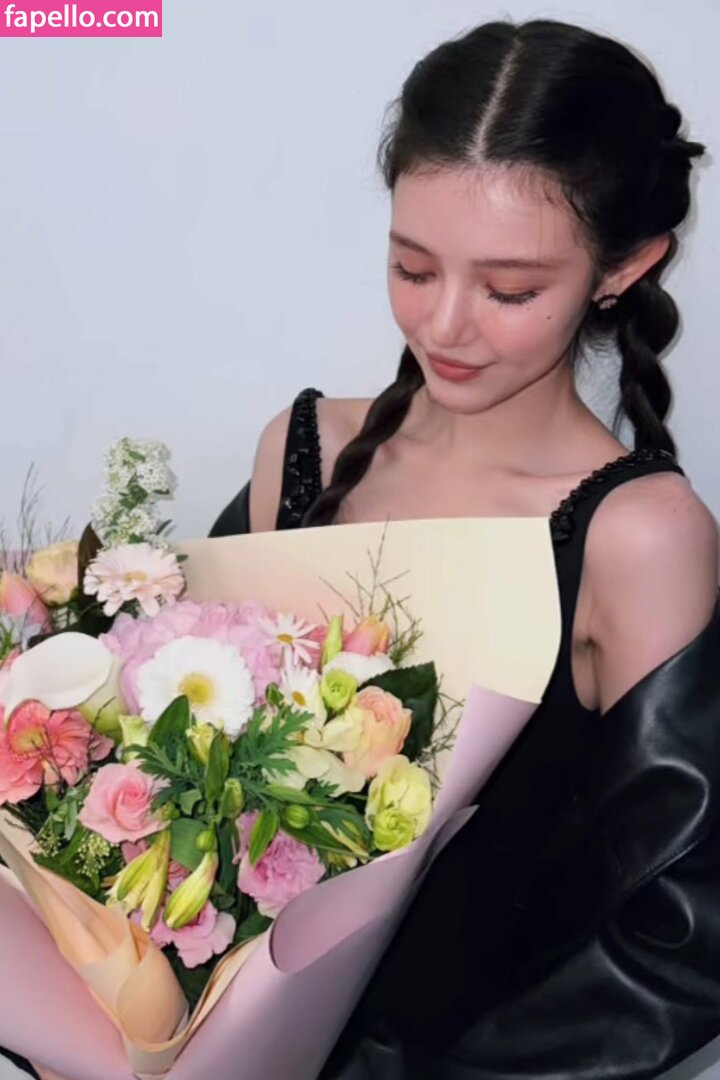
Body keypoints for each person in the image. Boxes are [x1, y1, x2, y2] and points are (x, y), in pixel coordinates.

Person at [210, 18, 720, 1080]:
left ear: (625, 266)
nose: (443, 326)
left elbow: (682, 939)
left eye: (509, 290)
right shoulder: (301, 453)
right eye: (412, 267)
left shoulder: (638, 538)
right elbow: (176, 771)